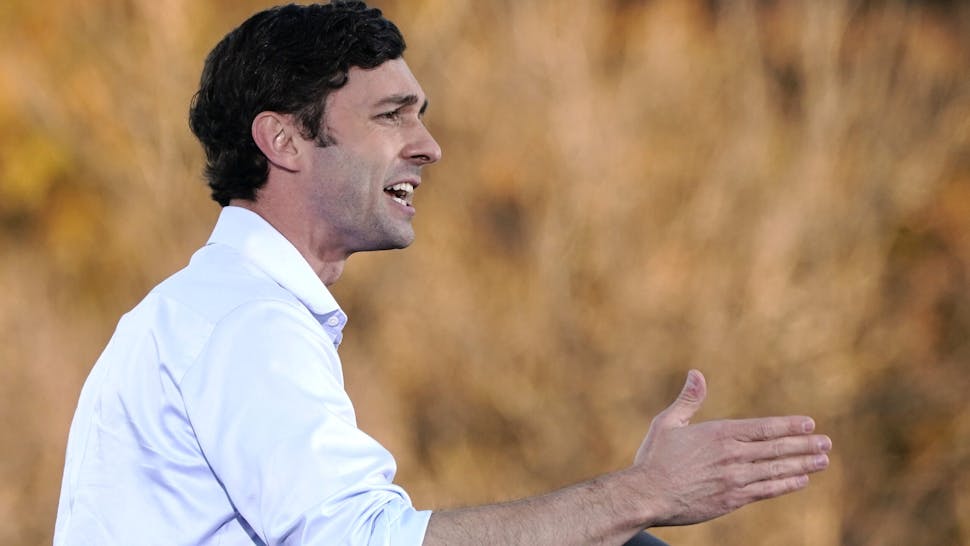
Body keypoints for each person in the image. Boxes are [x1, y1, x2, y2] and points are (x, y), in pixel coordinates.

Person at [53, 2, 832, 545]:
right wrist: (643, 495)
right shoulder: (243, 321)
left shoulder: (225, 310)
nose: (429, 146)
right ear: (285, 141)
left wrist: (616, 516)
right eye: (392, 115)